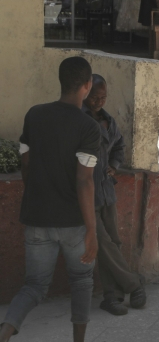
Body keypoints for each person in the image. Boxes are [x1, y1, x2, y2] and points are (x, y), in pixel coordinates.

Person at [0, 57, 100, 342]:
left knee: (33, 286)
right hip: (73, 222)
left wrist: (36, 194)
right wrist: (91, 230)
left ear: (60, 81)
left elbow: (26, 161)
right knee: (82, 281)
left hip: (37, 218)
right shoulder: (88, 127)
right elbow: (84, 180)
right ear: (87, 85)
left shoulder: (35, 114)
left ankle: (5, 332)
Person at [82, 75, 146, 316]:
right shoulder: (79, 119)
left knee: (113, 242)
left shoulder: (109, 121)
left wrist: (115, 164)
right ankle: (134, 283)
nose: (98, 101)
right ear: (85, 93)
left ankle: (113, 297)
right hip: (86, 193)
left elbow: (119, 145)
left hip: (106, 190)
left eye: (103, 97)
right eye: (94, 97)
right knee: (102, 242)